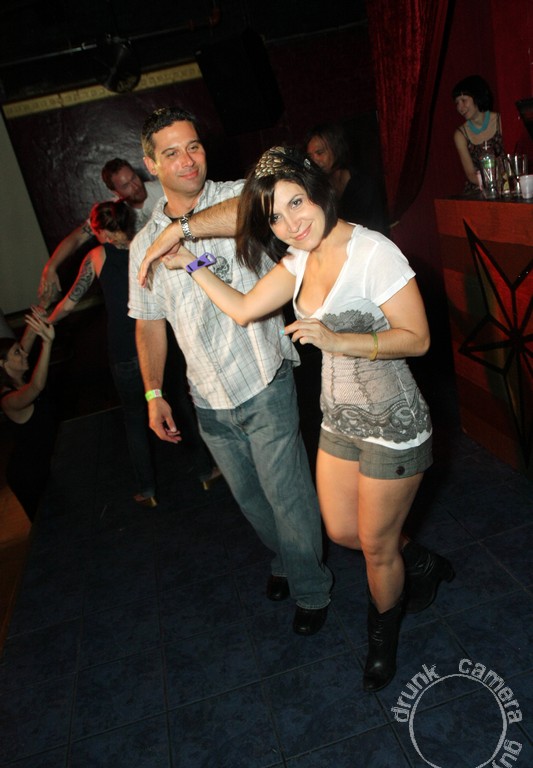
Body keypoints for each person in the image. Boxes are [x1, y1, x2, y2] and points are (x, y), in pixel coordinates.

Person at [153, 146, 455, 691]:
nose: (291, 223)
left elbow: (419, 338)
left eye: (297, 203)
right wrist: (191, 264)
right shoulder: (297, 260)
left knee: (376, 547)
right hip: (338, 420)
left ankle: (382, 640)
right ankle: (421, 561)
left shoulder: (373, 252)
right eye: (275, 216)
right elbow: (245, 309)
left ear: (318, 192)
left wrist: (339, 340)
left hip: (393, 423)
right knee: (342, 531)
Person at [129, 106, 333, 635]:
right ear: (151, 164)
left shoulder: (241, 196)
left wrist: (180, 232)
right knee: (252, 501)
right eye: (171, 152)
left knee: (287, 494)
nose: (187, 159)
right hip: (207, 397)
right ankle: (286, 558)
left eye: (193, 146)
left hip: (262, 376)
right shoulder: (140, 246)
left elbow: (253, 213)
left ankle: (311, 587)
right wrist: (153, 393)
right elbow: (149, 323)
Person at [47, 200, 218, 506]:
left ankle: (148, 490)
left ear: (100, 231)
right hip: (158, 343)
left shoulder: (97, 256)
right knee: (179, 405)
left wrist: (47, 320)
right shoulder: (148, 246)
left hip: (125, 351)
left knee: (134, 417)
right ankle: (205, 471)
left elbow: (70, 303)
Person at [39, 158, 164, 296]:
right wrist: (50, 267)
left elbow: (184, 221)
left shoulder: (164, 190)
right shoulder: (114, 213)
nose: (135, 186)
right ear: (115, 192)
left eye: (134, 177)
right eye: (125, 185)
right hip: (147, 284)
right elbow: (77, 238)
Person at [0, 307, 58, 521]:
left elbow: (26, 341)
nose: (24, 353)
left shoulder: (17, 376)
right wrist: (47, 344)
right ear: (3, 364)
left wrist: (41, 310)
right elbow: (36, 387)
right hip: (28, 476)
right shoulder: (8, 400)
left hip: (45, 465)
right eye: (17, 353)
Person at [304, 122, 388, 234]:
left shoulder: (364, 185)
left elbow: (378, 229)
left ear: (336, 149)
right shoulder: (315, 190)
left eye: (319, 153)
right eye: (310, 156)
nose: (314, 160)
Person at [452, 75, 504, 194]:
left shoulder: (500, 121)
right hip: (479, 188)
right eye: (457, 103)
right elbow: (471, 174)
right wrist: (492, 185)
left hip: (506, 185)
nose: (460, 107)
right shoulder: (460, 135)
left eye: (463, 100)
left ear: (477, 96)